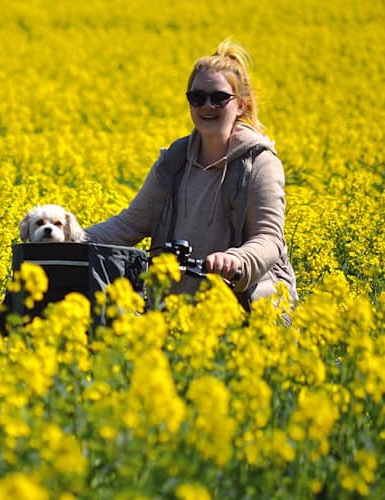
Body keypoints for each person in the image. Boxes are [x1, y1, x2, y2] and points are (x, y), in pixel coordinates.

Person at [85, 40, 297, 309]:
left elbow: (268, 237)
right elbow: (129, 225)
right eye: (197, 98)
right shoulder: (174, 161)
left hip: (248, 311)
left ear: (241, 105)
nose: (207, 106)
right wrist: (68, 238)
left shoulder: (258, 162)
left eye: (219, 98)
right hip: (177, 312)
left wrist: (238, 260)